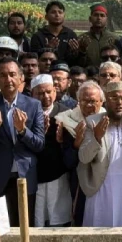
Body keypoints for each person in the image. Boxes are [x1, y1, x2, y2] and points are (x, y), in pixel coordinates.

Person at [0, 58, 45, 226]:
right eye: (3, 75)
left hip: (25, 176)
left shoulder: (34, 105)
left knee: (25, 228)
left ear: (21, 77)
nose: (8, 79)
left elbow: (39, 144)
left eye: (12, 74)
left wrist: (23, 130)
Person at [78, 81, 122, 226]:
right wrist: (96, 138)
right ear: (106, 100)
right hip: (102, 188)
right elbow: (84, 158)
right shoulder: (93, 122)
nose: (119, 103)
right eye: (114, 98)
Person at [57, 81, 105, 226]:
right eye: (84, 101)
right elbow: (68, 162)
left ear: (101, 101)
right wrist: (77, 143)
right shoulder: (67, 121)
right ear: (78, 101)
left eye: (93, 101)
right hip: (80, 181)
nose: (89, 105)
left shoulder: (108, 120)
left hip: (105, 180)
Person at [31, 74, 72, 227]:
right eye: (40, 93)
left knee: (58, 219)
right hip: (36, 173)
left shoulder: (65, 112)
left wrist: (61, 140)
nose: (46, 96)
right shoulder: (27, 112)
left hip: (58, 172)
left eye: (49, 92)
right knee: (38, 219)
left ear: (55, 91)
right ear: (33, 94)